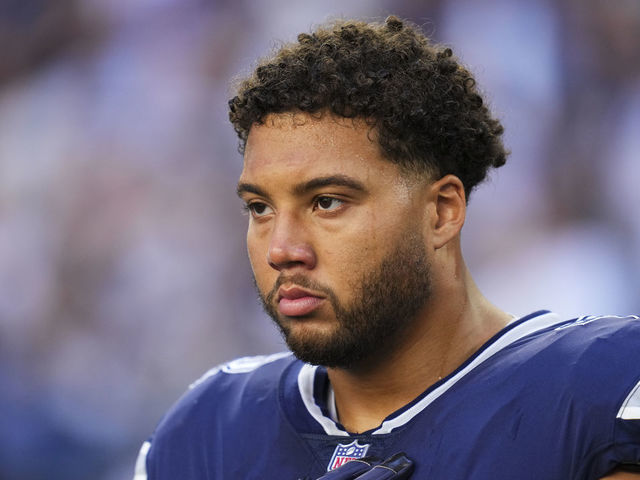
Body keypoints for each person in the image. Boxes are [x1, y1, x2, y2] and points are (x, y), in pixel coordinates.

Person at [133, 16, 640, 479]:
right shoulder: (209, 428)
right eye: (260, 208)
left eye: (327, 202)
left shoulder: (594, 387)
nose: (282, 249)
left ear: (441, 211)